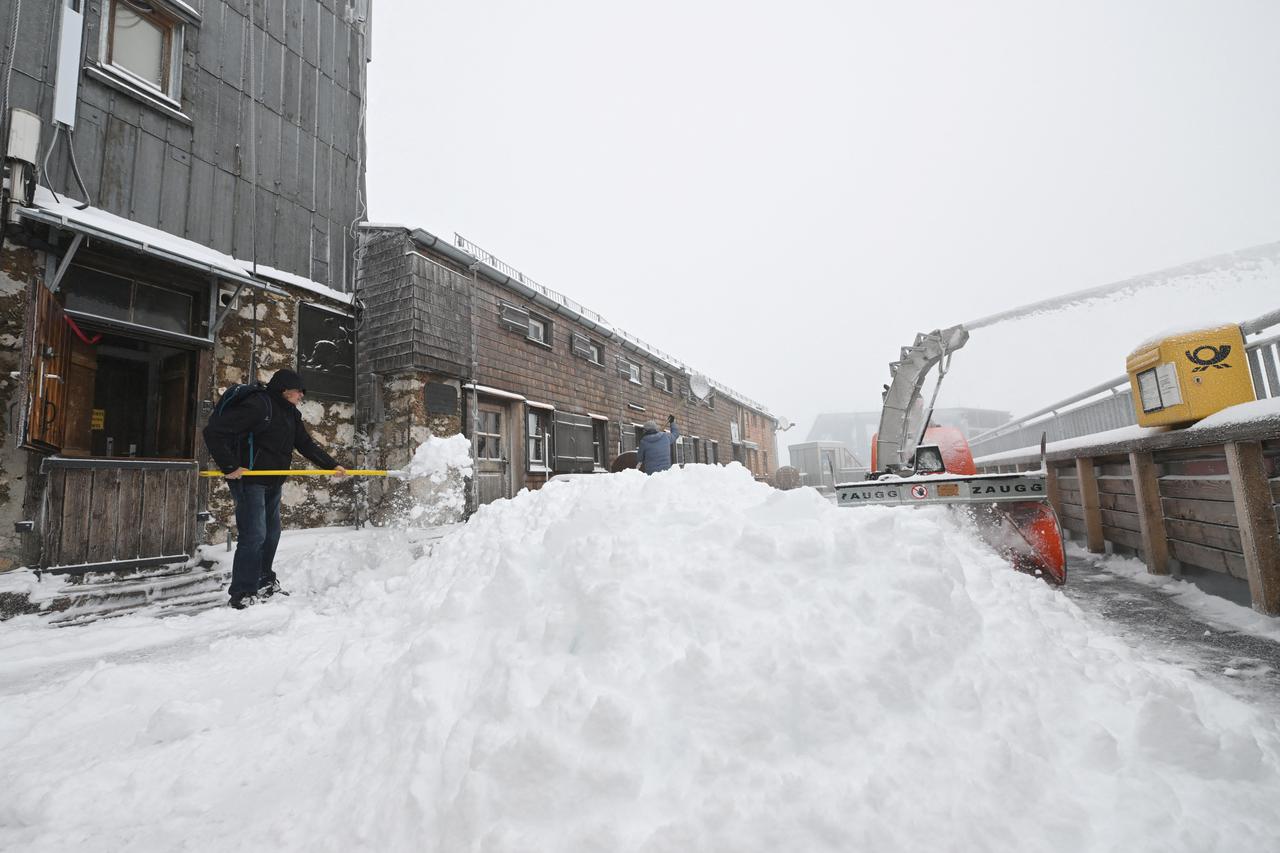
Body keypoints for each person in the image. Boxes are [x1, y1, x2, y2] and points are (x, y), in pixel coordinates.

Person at [203, 369, 346, 608]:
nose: (301, 395)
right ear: (284, 389)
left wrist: (332, 465)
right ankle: (242, 593)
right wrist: (230, 466)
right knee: (255, 534)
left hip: (273, 481)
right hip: (250, 482)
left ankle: (263, 582)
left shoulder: (291, 413)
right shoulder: (259, 405)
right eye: (298, 391)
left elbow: (305, 444)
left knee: (271, 534)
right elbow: (213, 431)